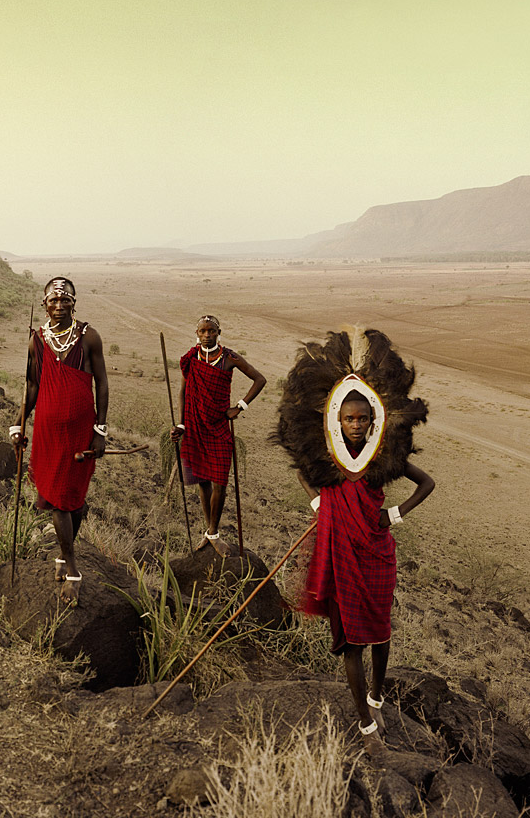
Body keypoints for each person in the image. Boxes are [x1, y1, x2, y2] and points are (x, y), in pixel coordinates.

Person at [275, 328, 432, 756]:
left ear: (373, 419)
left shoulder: (383, 456)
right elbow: (302, 472)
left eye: (363, 418)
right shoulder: (324, 454)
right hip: (338, 550)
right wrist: (317, 505)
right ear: (337, 420)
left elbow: (426, 482)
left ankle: (377, 699)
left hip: (377, 554)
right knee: (351, 643)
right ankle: (365, 725)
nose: (357, 425)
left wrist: (393, 514)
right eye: (350, 419)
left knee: (380, 635)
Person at [10, 277, 109, 596]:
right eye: (53, 299)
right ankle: (72, 569)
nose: (59, 304)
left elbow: (102, 385)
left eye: (65, 299)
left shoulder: (89, 337)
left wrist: (100, 430)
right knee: (58, 501)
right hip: (48, 433)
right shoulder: (36, 341)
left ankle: (63, 557)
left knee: (75, 500)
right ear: (44, 304)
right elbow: (31, 387)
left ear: (74, 302)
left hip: (82, 430)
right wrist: (18, 425)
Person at [170, 315, 266, 552]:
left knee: (220, 481)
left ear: (218, 332)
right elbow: (183, 393)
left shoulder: (229, 358)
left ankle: (214, 531)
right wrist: (181, 425)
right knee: (202, 480)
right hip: (195, 426)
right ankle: (209, 532)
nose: (207, 335)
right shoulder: (191, 359)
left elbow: (259, 379)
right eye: (203, 331)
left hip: (219, 426)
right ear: (197, 333)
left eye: (211, 331)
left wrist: (240, 406)